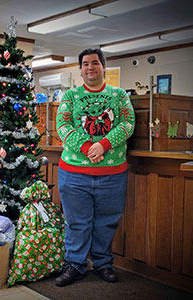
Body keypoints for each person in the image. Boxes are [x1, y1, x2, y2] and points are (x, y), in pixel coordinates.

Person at [55, 49, 135, 286]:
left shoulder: (119, 95)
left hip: (112, 174)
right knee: (76, 222)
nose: (90, 67)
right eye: (85, 64)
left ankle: (103, 264)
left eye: (95, 63)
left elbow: (128, 123)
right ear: (80, 70)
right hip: (73, 172)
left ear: (103, 67)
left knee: (106, 222)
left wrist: (104, 144)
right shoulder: (70, 96)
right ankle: (75, 265)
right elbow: (63, 124)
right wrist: (88, 147)